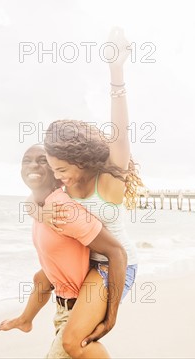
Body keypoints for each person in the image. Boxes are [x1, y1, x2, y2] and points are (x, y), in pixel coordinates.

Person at [41, 27, 144, 353]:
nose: (58, 177)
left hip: (114, 266)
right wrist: (41, 210)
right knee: (73, 343)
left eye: (61, 169)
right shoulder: (65, 185)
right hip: (84, 266)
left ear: (80, 160)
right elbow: (37, 197)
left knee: (74, 341)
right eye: (52, 169)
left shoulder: (109, 181)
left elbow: (121, 131)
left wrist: (116, 70)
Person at [0, 144, 128, 359]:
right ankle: (25, 321)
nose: (33, 165)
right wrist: (39, 213)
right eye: (26, 160)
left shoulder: (62, 209)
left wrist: (111, 318)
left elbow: (117, 252)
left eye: (42, 160)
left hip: (80, 309)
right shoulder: (42, 205)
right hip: (62, 307)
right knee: (40, 277)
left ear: (55, 171)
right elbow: (29, 203)